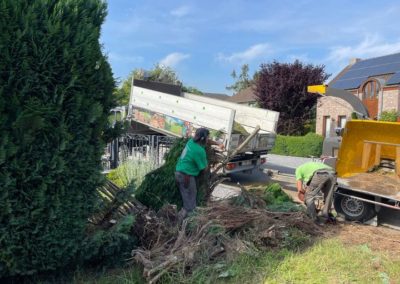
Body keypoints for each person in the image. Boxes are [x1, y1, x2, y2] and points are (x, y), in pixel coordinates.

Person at [175, 128, 218, 219]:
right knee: (190, 205)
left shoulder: (191, 142)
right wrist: (210, 163)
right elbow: (204, 168)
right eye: (207, 138)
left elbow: (207, 141)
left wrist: (218, 144)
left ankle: (180, 223)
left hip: (179, 173)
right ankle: (182, 225)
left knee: (188, 201)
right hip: (186, 177)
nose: (208, 140)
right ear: (203, 139)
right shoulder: (199, 151)